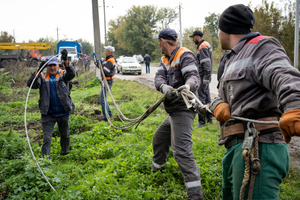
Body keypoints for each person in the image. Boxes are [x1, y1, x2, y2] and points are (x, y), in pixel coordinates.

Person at [209, 4, 300, 199]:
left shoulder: (262, 46)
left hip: (259, 149)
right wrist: (217, 104)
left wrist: (295, 108)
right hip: (235, 149)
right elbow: (220, 95)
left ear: (224, 30)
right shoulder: (229, 58)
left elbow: (285, 75)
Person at [152, 28, 204, 200]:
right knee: (159, 139)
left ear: (163, 41)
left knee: (182, 152)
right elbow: (158, 78)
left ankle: (195, 195)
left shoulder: (185, 55)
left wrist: (188, 86)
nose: (158, 44)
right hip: (173, 111)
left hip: (183, 110)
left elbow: (193, 77)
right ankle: (157, 170)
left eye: (158, 41)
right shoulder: (165, 58)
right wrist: (163, 86)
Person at [27, 54, 75, 159]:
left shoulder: (63, 74)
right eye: (49, 66)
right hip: (48, 113)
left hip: (63, 111)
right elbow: (31, 84)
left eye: (54, 65)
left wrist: (66, 61)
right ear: (46, 67)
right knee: (47, 138)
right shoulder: (42, 77)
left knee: (65, 135)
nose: (52, 68)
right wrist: (38, 71)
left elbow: (71, 74)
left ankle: (65, 152)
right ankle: (46, 159)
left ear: (58, 65)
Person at [189, 30, 213, 128]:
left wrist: (206, 77)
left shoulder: (202, 46)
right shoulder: (205, 44)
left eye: (193, 37)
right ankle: (209, 119)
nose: (193, 39)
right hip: (204, 76)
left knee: (201, 98)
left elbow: (206, 63)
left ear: (198, 37)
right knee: (207, 97)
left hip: (202, 76)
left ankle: (202, 122)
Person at [99, 46, 116, 122]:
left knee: (102, 100)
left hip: (107, 82)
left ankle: (106, 117)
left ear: (109, 52)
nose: (105, 52)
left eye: (106, 51)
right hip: (106, 82)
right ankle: (109, 113)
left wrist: (101, 64)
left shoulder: (110, 61)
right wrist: (98, 62)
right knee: (103, 99)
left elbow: (105, 71)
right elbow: (102, 68)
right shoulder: (108, 60)